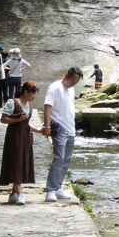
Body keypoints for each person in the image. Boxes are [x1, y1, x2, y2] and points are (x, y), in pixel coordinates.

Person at [0, 80, 44, 205]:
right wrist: (18, 119)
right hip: (14, 136)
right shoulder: (12, 102)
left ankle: (14, 194)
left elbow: (27, 123)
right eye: (33, 93)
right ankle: (20, 193)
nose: (34, 96)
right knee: (16, 162)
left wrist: (39, 130)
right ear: (25, 92)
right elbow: (3, 119)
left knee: (22, 162)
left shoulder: (29, 106)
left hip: (26, 137)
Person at [43, 66, 83, 201]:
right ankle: (50, 190)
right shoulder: (55, 87)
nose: (73, 84)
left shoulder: (71, 90)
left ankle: (59, 187)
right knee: (59, 158)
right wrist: (47, 125)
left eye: (76, 82)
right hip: (59, 127)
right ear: (66, 76)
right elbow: (47, 106)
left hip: (70, 128)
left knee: (67, 159)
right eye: (72, 81)